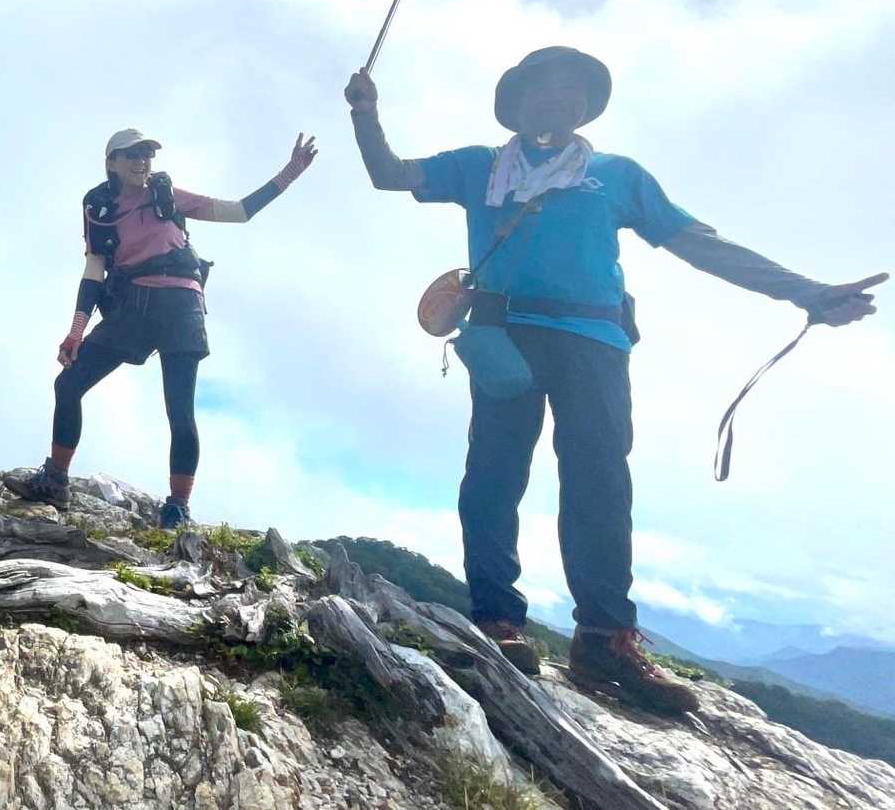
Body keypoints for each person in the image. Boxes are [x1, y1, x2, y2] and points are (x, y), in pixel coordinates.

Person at [343, 48, 884, 714]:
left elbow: (699, 244)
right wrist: (366, 114)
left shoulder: (617, 177)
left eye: (573, 88)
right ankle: (496, 619)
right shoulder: (478, 165)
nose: (559, 96)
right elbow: (389, 173)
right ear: (517, 103)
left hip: (595, 342)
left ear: (585, 107)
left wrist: (806, 291)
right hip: (504, 336)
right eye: (545, 86)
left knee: (599, 485)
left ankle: (604, 637)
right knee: (493, 475)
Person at [9, 129, 317, 529]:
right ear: (112, 162)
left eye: (147, 154)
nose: (142, 161)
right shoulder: (98, 207)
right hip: (134, 304)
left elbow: (239, 211)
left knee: (179, 409)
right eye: (132, 154)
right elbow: (94, 270)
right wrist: (76, 330)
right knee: (68, 384)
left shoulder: (165, 195)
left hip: (181, 304)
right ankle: (55, 481)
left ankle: (177, 507)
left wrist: (290, 172)